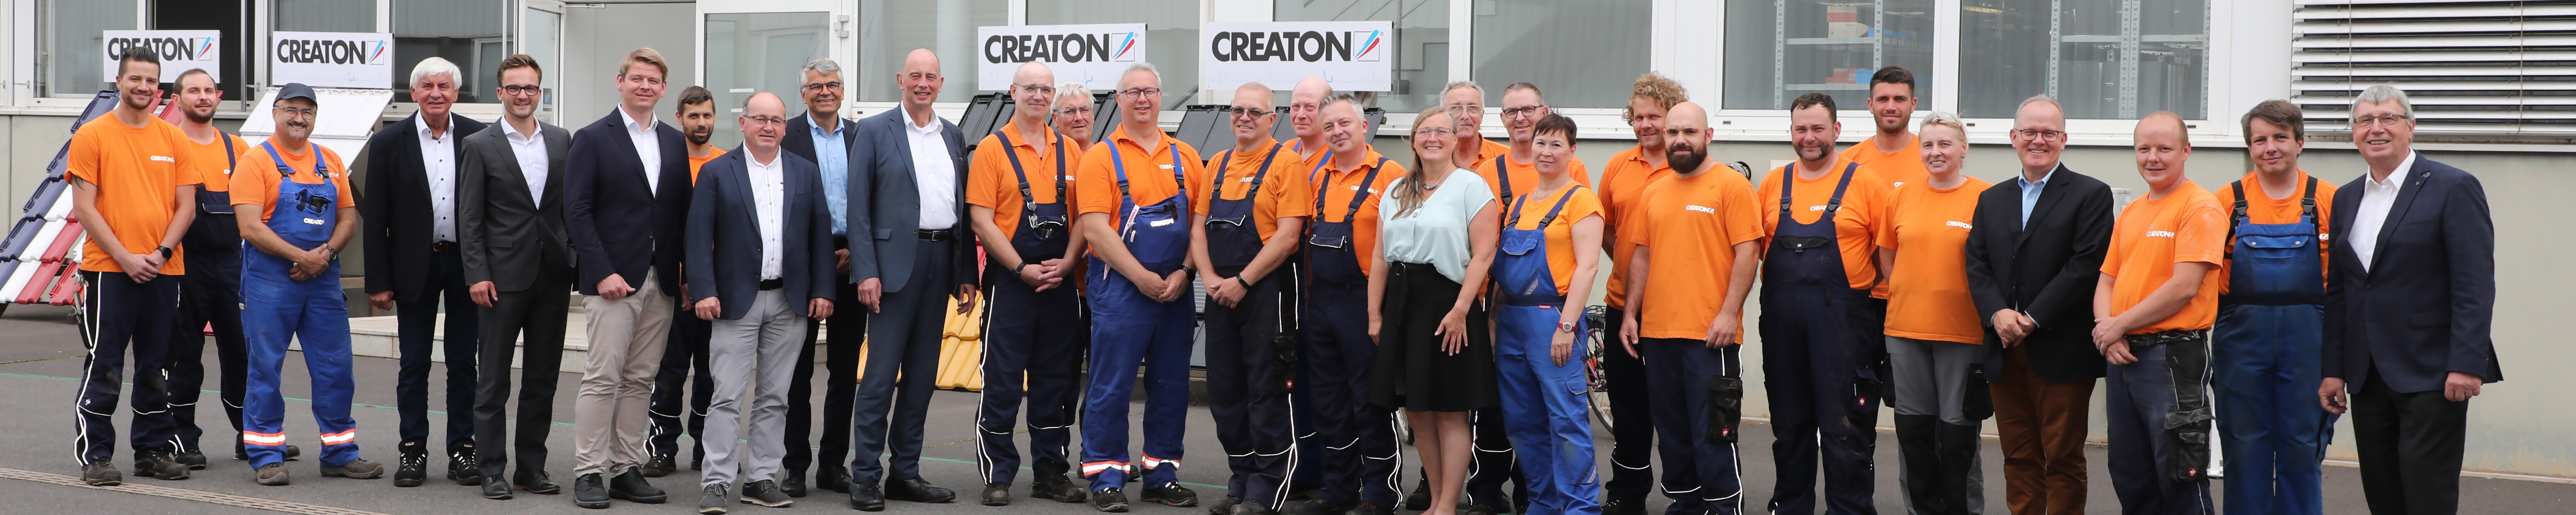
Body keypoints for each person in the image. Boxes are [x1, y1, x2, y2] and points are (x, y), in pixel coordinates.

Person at [2319, 85, 2499, 515]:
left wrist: (2466, 363)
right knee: (2382, 495)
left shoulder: (2453, 187)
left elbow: (2473, 285)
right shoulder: (2345, 198)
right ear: (2353, 133)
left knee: (2427, 497)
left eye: (2387, 119)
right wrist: (2332, 370)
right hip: (2366, 375)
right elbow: (2340, 291)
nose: (2375, 129)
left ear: (2410, 127)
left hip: (2432, 373)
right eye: (2364, 120)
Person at [684, 91, 840, 513]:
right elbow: (697, 238)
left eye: (776, 120)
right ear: (743, 123)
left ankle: (760, 479)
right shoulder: (718, 172)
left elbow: (819, 237)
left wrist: (823, 290)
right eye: (760, 119)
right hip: (734, 302)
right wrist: (704, 291)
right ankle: (716, 481)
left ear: (785, 127)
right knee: (726, 395)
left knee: (776, 397)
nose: (768, 127)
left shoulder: (805, 173)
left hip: (789, 302)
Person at [1963, 95, 2115, 515]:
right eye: (2029, 132)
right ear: (2013, 138)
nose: (2038, 140)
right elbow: (1975, 263)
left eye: (2048, 133)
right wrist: (1996, 315)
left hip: (2060, 350)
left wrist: (2031, 318)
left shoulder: (2091, 195)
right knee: (2017, 456)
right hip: (2004, 348)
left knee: (2062, 458)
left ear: (2063, 140)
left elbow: (2084, 266)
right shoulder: (1991, 199)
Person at [457, 54, 594, 505]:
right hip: (500, 279)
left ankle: (531, 468)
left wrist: (573, 258)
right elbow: (470, 218)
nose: (522, 95)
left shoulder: (561, 140)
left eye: (530, 88)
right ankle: (491, 469)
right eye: (514, 88)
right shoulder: (480, 144)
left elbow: (569, 207)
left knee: (542, 379)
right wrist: (476, 274)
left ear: (540, 93)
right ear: (500, 93)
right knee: (493, 381)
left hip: (552, 277)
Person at [1070, 62, 1207, 513]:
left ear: (1161, 96)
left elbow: (1198, 229)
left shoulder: (1186, 156)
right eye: (1133, 92)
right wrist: (1142, 277)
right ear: (1119, 99)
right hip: (1121, 289)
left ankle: (1160, 475)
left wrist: (1185, 273)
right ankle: (1105, 476)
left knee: (1171, 385)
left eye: (1150, 91)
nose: (1143, 100)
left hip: (1174, 290)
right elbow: (1095, 231)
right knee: (1111, 386)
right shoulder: (1099, 157)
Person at [229, 82, 381, 485]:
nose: (299, 118)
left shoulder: (329, 160)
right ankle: (266, 455)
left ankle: (340, 452)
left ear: (315, 117)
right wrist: (302, 257)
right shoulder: (255, 162)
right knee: (265, 368)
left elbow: (348, 220)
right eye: (291, 110)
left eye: (307, 112)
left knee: (336, 368)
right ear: (275, 113)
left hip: (322, 281)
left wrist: (325, 256)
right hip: (270, 281)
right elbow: (248, 226)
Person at [843, 48, 975, 511]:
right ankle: (864, 476)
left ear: (941, 83)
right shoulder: (874, 131)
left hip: (941, 263)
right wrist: (867, 271)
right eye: (915, 76)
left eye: (931, 77)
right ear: (901, 79)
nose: (922, 83)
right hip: (892, 267)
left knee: (921, 379)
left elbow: (962, 213)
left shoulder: (954, 136)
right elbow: (857, 209)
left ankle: (905, 473)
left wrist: (965, 275)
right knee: (879, 378)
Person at [1617, 101, 1761, 515]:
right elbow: (1641, 257)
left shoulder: (1730, 187)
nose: (1680, 140)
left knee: (1712, 431)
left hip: (1708, 337)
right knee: (1672, 431)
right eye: (1673, 133)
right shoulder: (1654, 190)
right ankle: (1686, 505)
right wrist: (1631, 314)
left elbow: (1747, 253)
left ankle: (1722, 508)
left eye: (1689, 132)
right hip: (1657, 334)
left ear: (1707, 136)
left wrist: (1728, 314)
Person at [563, 47, 693, 502]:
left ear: (662, 88)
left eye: (654, 81)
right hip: (613, 282)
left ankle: (626, 468)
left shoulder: (675, 141)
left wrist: (686, 273)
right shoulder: (593, 137)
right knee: (603, 377)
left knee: (641, 379)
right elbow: (576, 211)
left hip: (661, 278)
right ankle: (589, 472)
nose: (645, 86)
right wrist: (601, 272)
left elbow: (680, 214)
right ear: (620, 82)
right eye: (637, 78)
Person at [69, 49, 203, 485]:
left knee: (157, 366)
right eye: (135, 79)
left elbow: (187, 207)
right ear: (120, 82)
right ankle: (98, 456)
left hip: (165, 271)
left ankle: (151, 450)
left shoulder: (174, 138)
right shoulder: (92, 136)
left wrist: (161, 253)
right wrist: (126, 258)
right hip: (109, 272)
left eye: (151, 81)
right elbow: (85, 208)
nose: (143, 87)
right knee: (105, 363)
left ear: (159, 88)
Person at [1755, 92, 1892, 515]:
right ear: (1791, 132)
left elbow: (1888, 260)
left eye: (1817, 128)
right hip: (1781, 322)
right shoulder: (1773, 184)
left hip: (1844, 325)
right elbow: (1754, 251)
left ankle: (1848, 509)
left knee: (1844, 427)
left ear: (1836, 130)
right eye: (1800, 129)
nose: (1808, 137)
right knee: (1789, 426)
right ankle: (1791, 506)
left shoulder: (1866, 183)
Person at [358, 56, 490, 488]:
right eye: (428, 86)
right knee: (413, 363)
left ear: (456, 93)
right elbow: (375, 218)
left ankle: (462, 451)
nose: (436, 93)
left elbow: (490, 210)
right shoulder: (388, 142)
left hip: (466, 264)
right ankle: (412, 451)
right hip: (413, 266)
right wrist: (377, 282)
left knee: (463, 364)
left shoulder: (478, 136)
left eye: (445, 86)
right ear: (413, 93)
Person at [966, 62, 1092, 507]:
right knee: (1001, 381)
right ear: (1013, 92)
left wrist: (1068, 261)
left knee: (1055, 383)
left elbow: (1087, 218)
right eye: (1030, 88)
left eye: (1045, 89)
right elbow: (981, 219)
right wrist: (1021, 267)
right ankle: (998, 474)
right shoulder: (991, 149)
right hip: (1012, 285)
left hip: (1059, 285)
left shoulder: (1073, 152)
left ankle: (1051, 473)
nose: (1038, 96)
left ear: (1052, 97)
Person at [1189, 82, 1316, 515]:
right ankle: (1240, 479)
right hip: (1220, 292)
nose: (1244, 117)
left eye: (1254, 112)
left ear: (1272, 118)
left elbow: (1287, 237)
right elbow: (1199, 227)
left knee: (1266, 389)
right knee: (1225, 390)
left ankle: (1267, 486)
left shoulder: (1287, 164)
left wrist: (1241, 281)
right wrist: (1208, 278)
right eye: (1238, 110)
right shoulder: (1218, 163)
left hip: (1265, 292)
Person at [1368, 104, 1498, 515]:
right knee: (1417, 412)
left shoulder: (1470, 186)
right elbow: (1378, 258)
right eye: (1425, 131)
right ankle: (1435, 499)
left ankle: (1445, 505)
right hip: (1403, 304)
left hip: (1448, 306)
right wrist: (1375, 314)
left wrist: (1462, 309)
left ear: (1455, 138)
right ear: (1413, 140)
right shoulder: (1395, 190)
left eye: (1442, 131)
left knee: (1448, 411)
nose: (1433, 139)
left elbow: (1482, 255)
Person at [2093, 112, 2221, 515]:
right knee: (2130, 474)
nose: (2153, 157)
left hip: (2171, 359)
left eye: (2164, 149)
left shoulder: (2199, 207)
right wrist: (2107, 330)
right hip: (2125, 356)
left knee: (2179, 473)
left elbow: (2184, 287)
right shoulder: (2132, 211)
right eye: (2143, 149)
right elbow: (2106, 281)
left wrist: (2117, 326)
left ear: (2185, 151)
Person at [2213, 99, 2335, 515]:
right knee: (2243, 447)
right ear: (2249, 148)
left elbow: (2350, 285)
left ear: (2299, 143)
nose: (2270, 148)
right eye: (2259, 140)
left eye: (2280, 138)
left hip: (2309, 342)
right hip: (2240, 340)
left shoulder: (2328, 200)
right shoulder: (2224, 204)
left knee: (2301, 448)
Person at [1287, 94, 1407, 515]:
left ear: (1363, 127)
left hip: (1364, 302)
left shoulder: (1390, 175)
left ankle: (1379, 493)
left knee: (1369, 399)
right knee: (1328, 399)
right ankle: (1337, 489)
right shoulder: (1317, 175)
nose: (1337, 131)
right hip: (1320, 301)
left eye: (1345, 124)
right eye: (1330, 126)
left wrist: (1383, 313)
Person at [1487, 114, 1604, 515]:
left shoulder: (1581, 200)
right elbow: (1503, 275)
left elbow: (1588, 267)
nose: (1547, 152)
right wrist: (1492, 323)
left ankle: (1580, 507)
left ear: (1572, 152)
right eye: (1541, 143)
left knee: (1566, 420)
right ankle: (1544, 502)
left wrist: (1566, 328)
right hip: (1513, 323)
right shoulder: (1519, 205)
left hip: (1554, 320)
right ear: (1530, 148)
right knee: (1522, 422)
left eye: (1557, 145)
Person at [1879, 112, 1993, 515]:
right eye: (1927, 144)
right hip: (1905, 331)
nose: (1935, 152)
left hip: (1963, 334)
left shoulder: (1986, 198)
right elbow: (1888, 257)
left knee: (1958, 436)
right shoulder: (1900, 196)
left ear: (1963, 148)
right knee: (1914, 434)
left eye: (1944, 144)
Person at [162, 67, 274, 471]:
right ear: (177, 101)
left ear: (219, 98)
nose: (203, 97)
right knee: (185, 356)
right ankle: (183, 441)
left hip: (233, 265)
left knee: (243, 354)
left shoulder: (238, 149)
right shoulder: (169, 147)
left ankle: (253, 437)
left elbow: (260, 206)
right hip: (184, 265)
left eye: (209, 90)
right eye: (193, 91)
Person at [1592, 73, 1687, 515]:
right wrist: (1630, 272)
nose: (1645, 124)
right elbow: (1607, 228)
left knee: (1674, 410)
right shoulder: (1617, 166)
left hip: (1676, 311)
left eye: (1655, 116)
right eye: (1638, 116)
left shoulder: (1688, 163)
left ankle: (1685, 496)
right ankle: (1627, 496)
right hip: (1621, 305)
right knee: (1628, 409)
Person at [1431, 79, 1523, 515]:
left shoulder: (1496, 165)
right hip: (1446, 296)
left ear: (1485, 115)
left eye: (1472, 107)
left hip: (1495, 298)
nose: (1464, 114)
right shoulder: (1429, 162)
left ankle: (1490, 486)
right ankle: (1438, 485)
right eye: (1455, 107)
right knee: (1444, 394)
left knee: (1496, 399)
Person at [779, 57, 863, 498]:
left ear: (843, 91)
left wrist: (859, 253)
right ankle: (794, 465)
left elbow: (871, 201)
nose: (825, 92)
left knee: (845, 371)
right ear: (804, 93)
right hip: (803, 265)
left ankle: (833, 465)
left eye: (833, 84)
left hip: (853, 264)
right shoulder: (786, 135)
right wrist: (817, 258)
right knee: (796, 372)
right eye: (816, 86)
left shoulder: (860, 135)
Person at [647, 85, 729, 477]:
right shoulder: (667, 161)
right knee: (670, 371)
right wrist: (680, 279)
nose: (701, 123)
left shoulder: (728, 164)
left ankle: (705, 445)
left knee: (713, 373)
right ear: (679, 118)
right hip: (675, 289)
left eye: (707, 116)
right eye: (693, 116)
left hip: (716, 290)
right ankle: (662, 447)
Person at [1479, 83, 1593, 209]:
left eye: (1528, 110)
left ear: (1544, 113)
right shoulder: (1487, 172)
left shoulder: (1572, 167)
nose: (1520, 118)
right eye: (1511, 112)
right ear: (1503, 119)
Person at [1841, 67, 1927, 188]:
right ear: (1871, 105)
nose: (1891, 107)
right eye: (1883, 99)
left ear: (1913, 105)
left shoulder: (1930, 157)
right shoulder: (1847, 162)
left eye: (1899, 100)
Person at [1286, 77, 1334, 161]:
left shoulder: (1338, 158)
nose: (1301, 115)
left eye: (1310, 107)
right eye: (1296, 107)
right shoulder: (1287, 150)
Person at [1052, 83, 1098, 150]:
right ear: (1055, 119)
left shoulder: (1107, 158)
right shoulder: (1048, 158)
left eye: (1084, 110)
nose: (1079, 118)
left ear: (1093, 116)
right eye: (1070, 111)